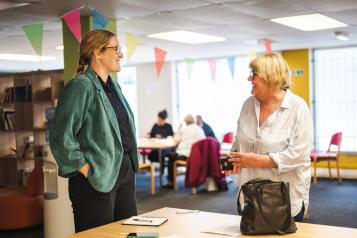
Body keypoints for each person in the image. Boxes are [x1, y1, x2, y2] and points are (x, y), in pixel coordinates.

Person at [49, 29, 139, 232]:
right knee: (99, 235)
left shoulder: (114, 87)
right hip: (96, 175)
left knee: (128, 231)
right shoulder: (81, 86)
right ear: (97, 52)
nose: (121, 54)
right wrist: (86, 169)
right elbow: (60, 137)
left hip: (123, 170)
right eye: (116, 49)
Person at [227, 52, 313, 222]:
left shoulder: (298, 108)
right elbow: (240, 140)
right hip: (249, 196)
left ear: (270, 77)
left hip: (284, 200)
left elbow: (299, 156)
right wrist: (234, 158)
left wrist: (256, 160)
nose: (249, 79)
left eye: (254, 74)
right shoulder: (248, 105)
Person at [165, 114, 205, 188]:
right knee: (172, 155)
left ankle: (170, 182)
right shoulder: (200, 129)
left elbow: (175, 140)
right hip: (198, 157)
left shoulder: (184, 129)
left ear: (185, 121)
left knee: (170, 157)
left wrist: (179, 128)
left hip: (186, 156)